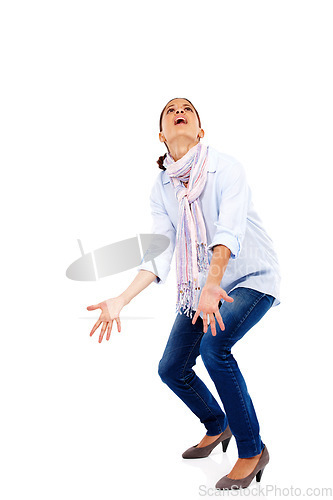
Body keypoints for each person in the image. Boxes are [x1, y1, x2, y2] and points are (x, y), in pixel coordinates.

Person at [86, 97, 281, 490]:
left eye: (187, 109)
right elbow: (160, 250)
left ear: (200, 130)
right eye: (171, 109)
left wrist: (213, 284)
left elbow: (229, 231)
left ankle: (252, 449)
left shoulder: (226, 168)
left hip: (249, 277)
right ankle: (217, 424)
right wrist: (121, 299)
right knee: (172, 368)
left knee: (214, 348)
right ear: (162, 135)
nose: (180, 111)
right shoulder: (162, 187)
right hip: (201, 286)